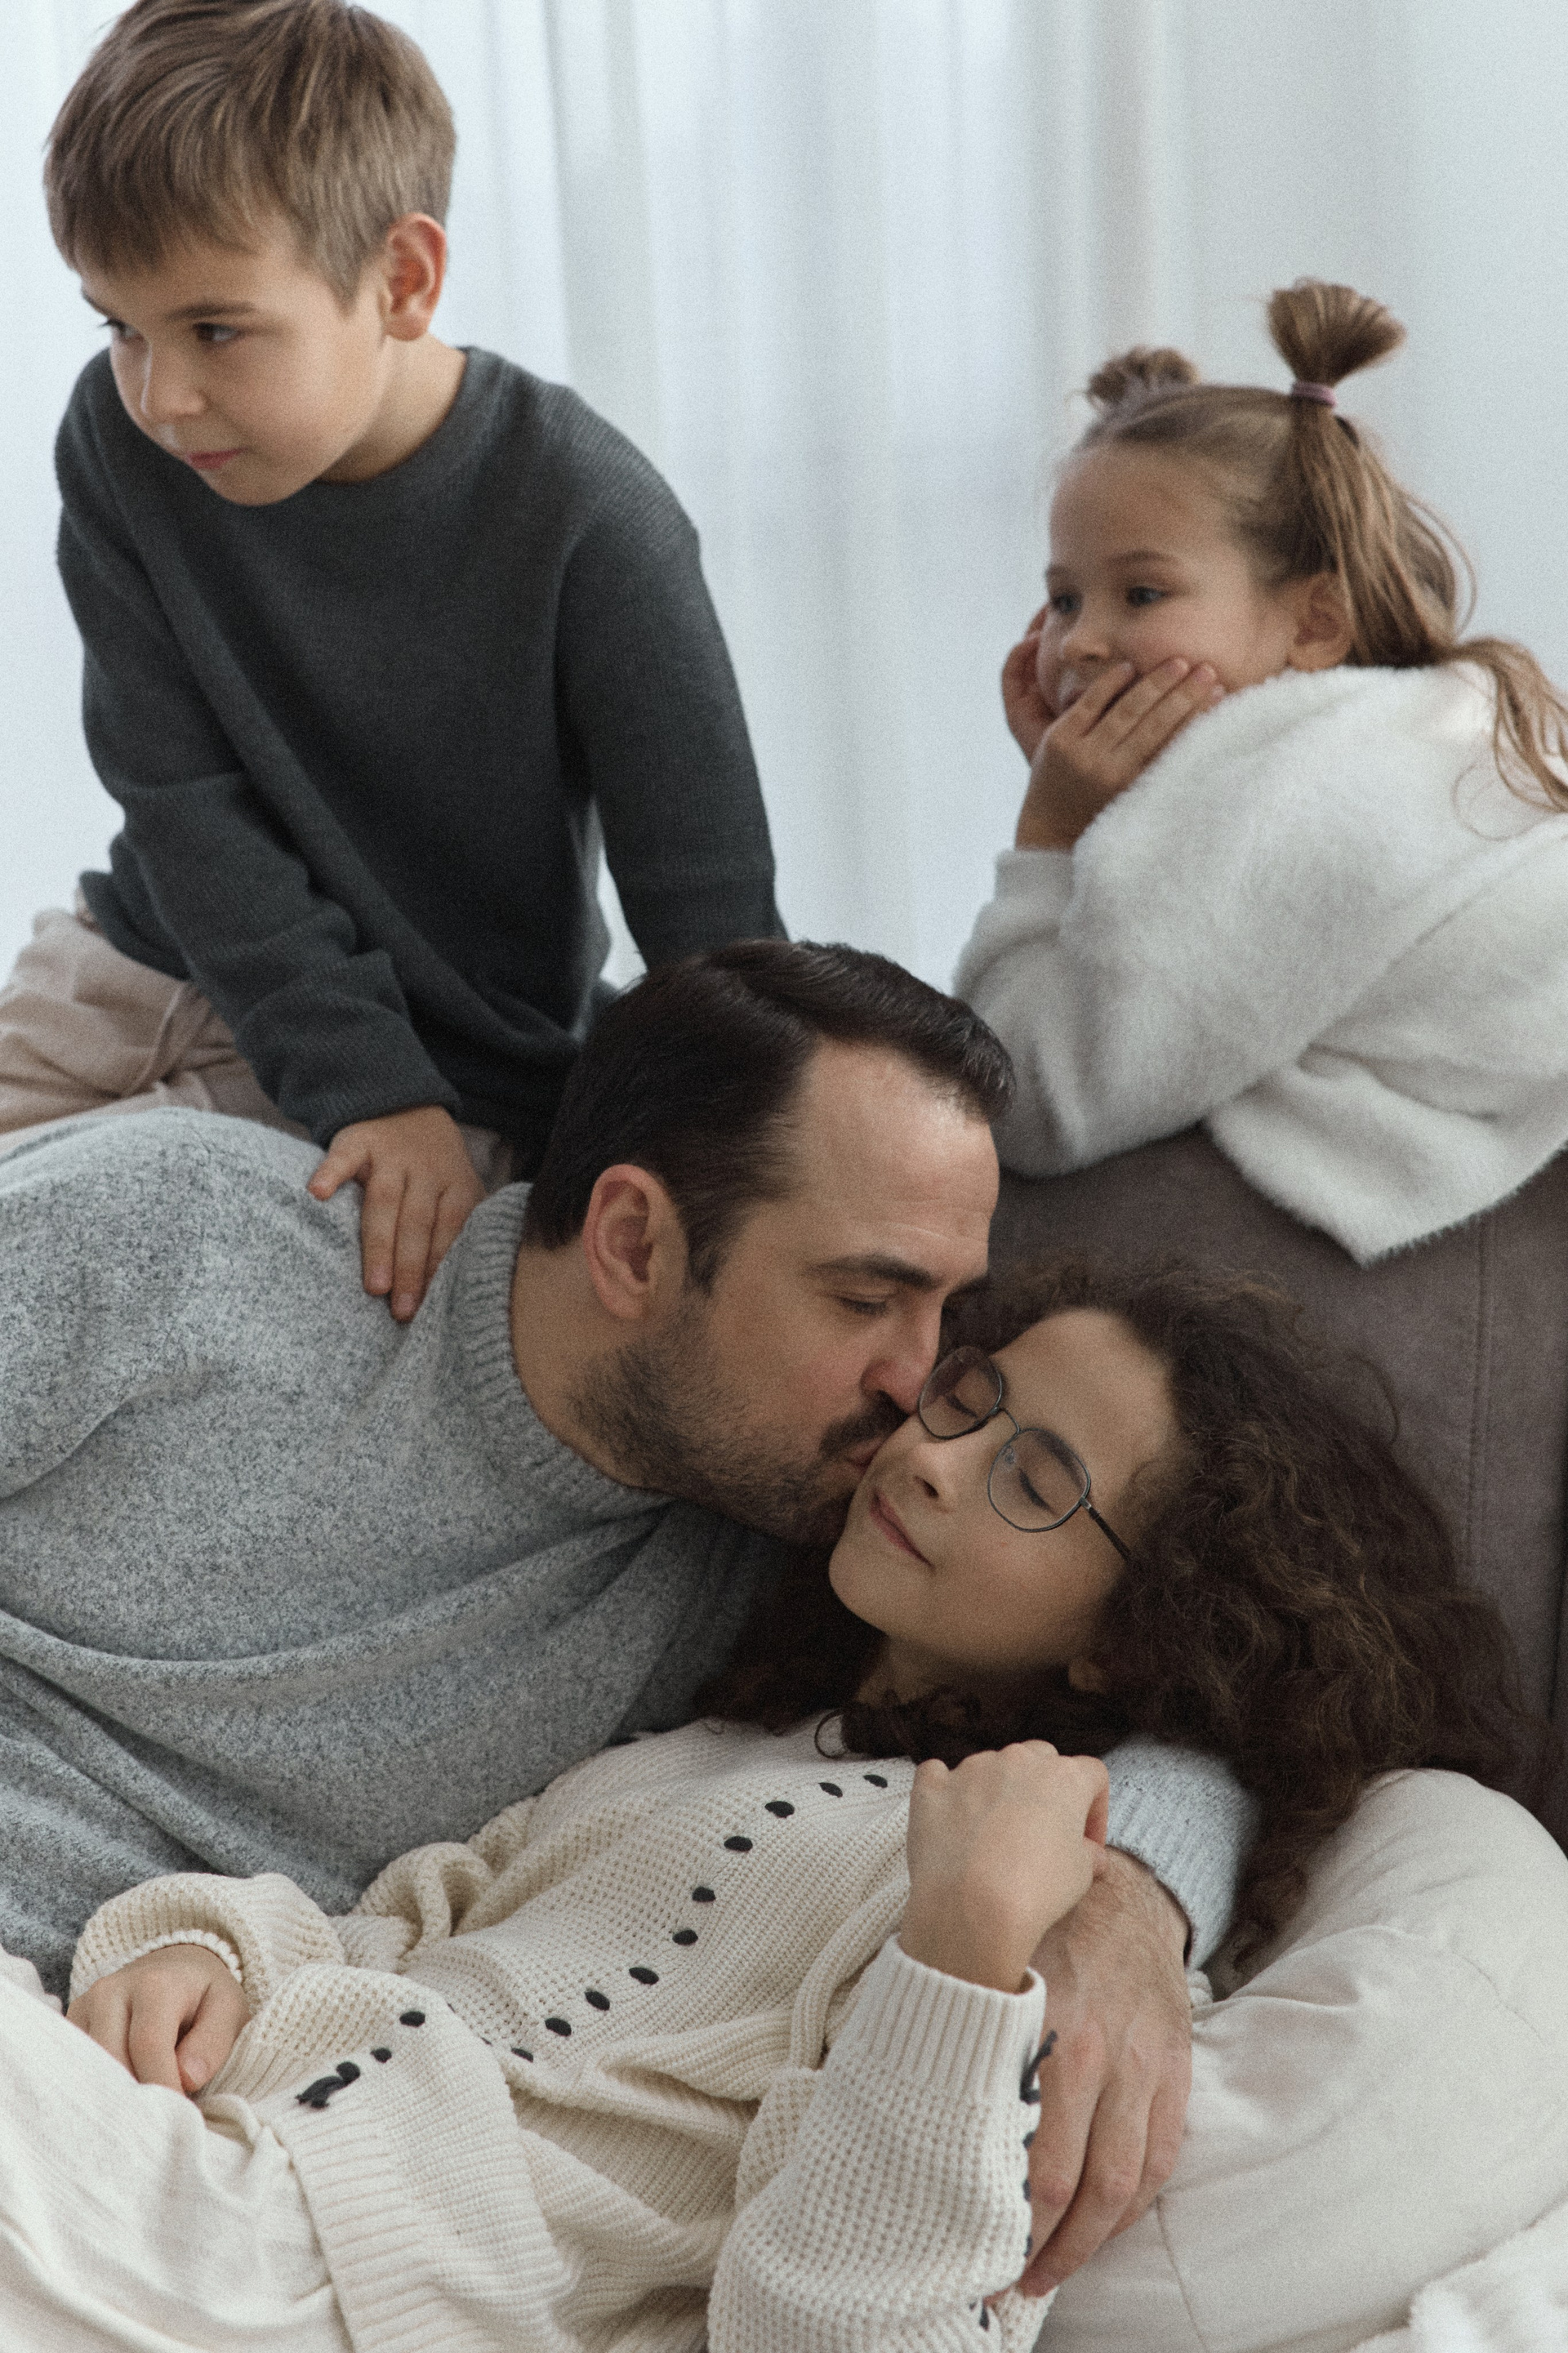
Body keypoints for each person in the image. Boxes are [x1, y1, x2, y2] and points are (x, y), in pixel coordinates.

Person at [4, 1259, 1556, 2351]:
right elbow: (413, 1914)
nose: (937, 1461)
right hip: (192, 2151)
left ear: (1136, 1633)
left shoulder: (1019, 1896)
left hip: (329, 2279)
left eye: (1034, 1480)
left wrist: (963, 1961)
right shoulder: (707, 1745)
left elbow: (851, 2328)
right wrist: (215, 1946)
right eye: (969, 1401)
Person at [0, 938, 1250, 2283]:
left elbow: (1215, 1680)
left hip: (143, 2121)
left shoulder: (794, 1549)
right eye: (865, 1298)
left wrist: (1134, 1896)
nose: (919, 1383)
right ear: (636, 1244)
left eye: (952, 1311)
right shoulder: (171, 1241)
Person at [2, 0, 782, 1320]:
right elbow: (182, 804)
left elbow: (715, 930)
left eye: (214, 330)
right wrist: (358, 1074)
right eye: (116, 328)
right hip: (141, 970)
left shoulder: (595, 521)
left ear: (405, 281)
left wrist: (392, 1092)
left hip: (450, 1066)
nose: (160, 396)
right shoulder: (117, 441)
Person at [955, 278, 1568, 1267]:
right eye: (1063, 600)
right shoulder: (1409, 728)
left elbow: (1026, 1100)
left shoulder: (1267, 806)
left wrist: (1052, 840)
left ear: (1315, 623)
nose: (1082, 643)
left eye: (1141, 593)